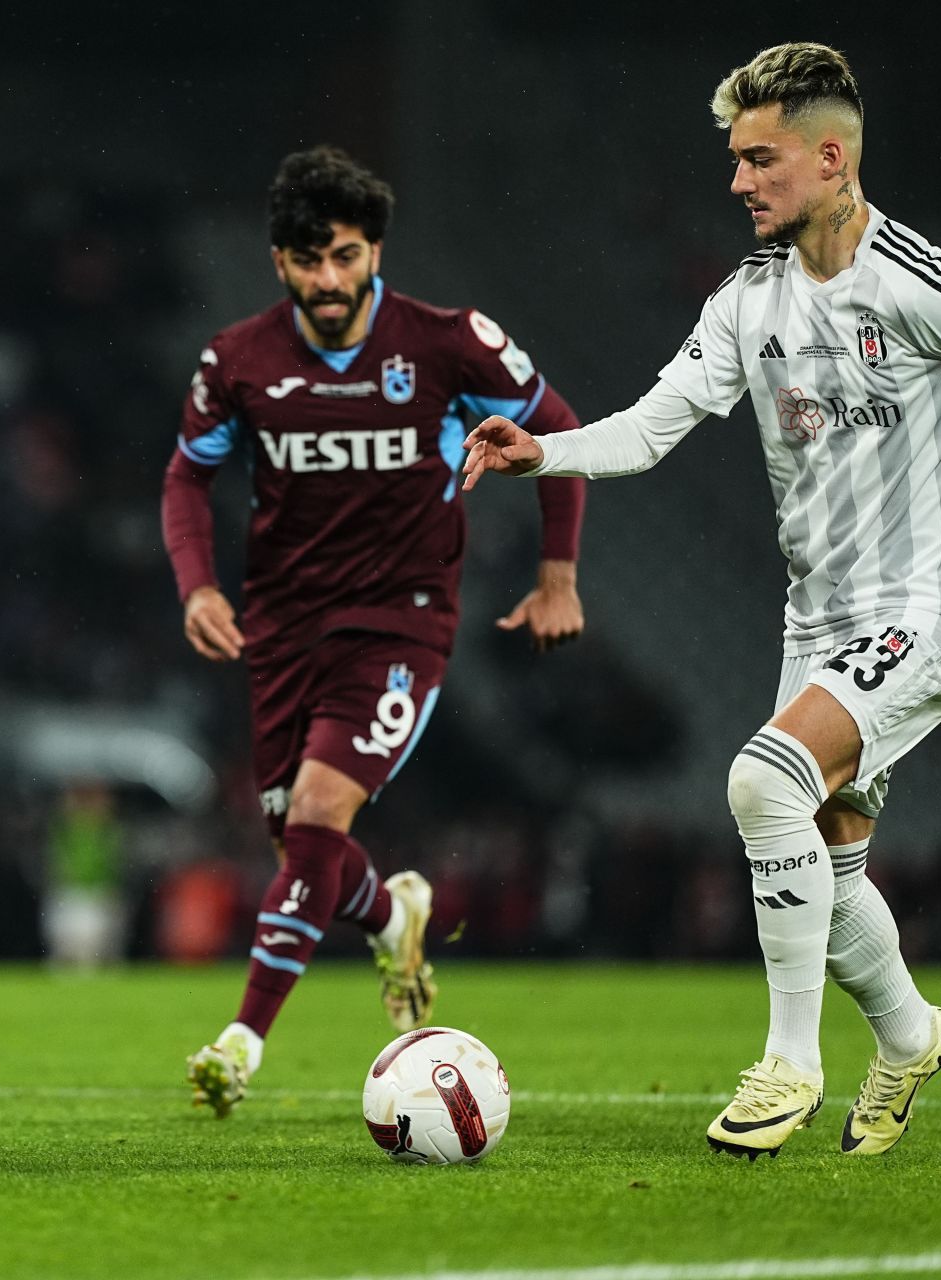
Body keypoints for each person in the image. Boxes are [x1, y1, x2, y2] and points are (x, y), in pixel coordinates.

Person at [463, 43, 941, 1159]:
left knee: (760, 778)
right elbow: (652, 426)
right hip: (820, 618)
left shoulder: (930, 285)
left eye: (760, 160)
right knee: (829, 871)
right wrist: (537, 450)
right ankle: (911, 1030)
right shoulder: (749, 300)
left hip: (931, 607)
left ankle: (789, 1060)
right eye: (736, 162)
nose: (738, 183)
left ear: (831, 158)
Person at [164, 145, 588, 1117]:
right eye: (308, 260)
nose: (328, 279)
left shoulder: (448, 343)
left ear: (375, 252)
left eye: (345, 257)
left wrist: (556, 574)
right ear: (279, 261)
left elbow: (556, 435)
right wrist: (197, 585)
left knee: (315, 815)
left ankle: (242, 1039)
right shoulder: (238, 359)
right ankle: (394, 912)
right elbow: (188, 473)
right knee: (299, 846)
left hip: (403, 622)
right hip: (280, 629)